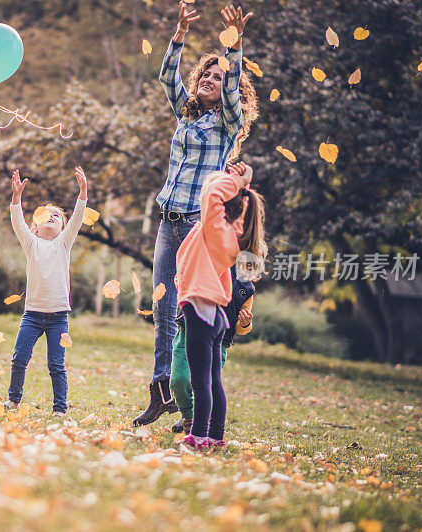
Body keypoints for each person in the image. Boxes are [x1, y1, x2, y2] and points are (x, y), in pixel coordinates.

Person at [133, 2, 259, 427]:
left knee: (189, 312)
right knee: (162, 309)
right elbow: (167, 76)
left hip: (195, 224)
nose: (209, 80)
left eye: (217, 78)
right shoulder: (185, 117)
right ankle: (161, 390)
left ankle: (192, 403)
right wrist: (179, 34)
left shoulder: (225, 125)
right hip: (168, 222)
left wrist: (236, 45)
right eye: (205, 75)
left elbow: (234, 81)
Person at [175, 162, 266, 447]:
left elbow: (212, 194)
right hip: (214, 314)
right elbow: (223, 200)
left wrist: (239, 181)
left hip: (202, 311)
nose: (209, 188)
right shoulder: (229, 232)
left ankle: (200, 436)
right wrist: (241, 188)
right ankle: (215, 437)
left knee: (201, 380)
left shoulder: (215, 229)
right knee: (212, 379)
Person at [6, 167, 88, 415]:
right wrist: (16, 198)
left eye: (56, 215)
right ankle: (13, 400)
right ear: (35, 228)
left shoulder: (64, 243)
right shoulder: (31, 244)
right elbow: (17, 221)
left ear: (64, 227)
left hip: (58, 317)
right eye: (45, 215)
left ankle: (60, 410)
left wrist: (83, 192)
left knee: (56, 365)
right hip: (31, 315)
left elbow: (77, 218)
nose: (51, 216)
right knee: (19, 358)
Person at [170, 265, 254, 434]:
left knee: (205, 385)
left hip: (219, 341)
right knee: (178, 381)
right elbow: (180, 279)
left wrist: (245, 323)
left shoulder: (247, 289)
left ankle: (197, 425)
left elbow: (241, 327)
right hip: (188, 330)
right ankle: (189, 415)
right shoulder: (208, 261)